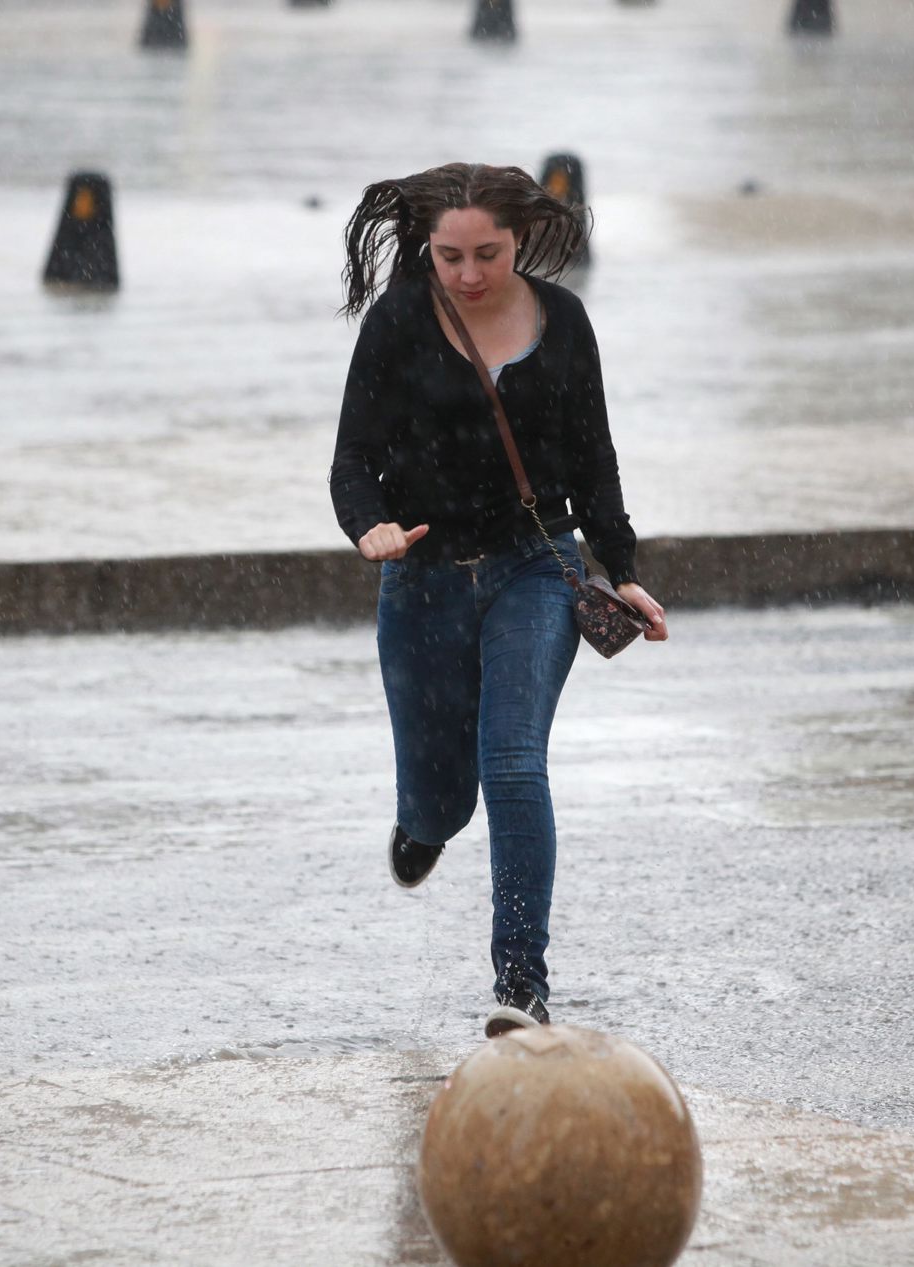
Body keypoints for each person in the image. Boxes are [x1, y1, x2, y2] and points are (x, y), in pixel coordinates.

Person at [328, 163, 668, 1039]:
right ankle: (421, 822)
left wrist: (620, 566)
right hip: (423, 575)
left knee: (513, 762)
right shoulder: (400, 318)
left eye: (488, 254)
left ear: (521, 241)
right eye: (450, 256)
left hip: (534, 566)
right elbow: (352, 457)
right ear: (427, 250)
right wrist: (367, 526)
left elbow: (595, 459)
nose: (470, 274)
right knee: (444, 802)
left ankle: (521, 980)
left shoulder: (565, 322)